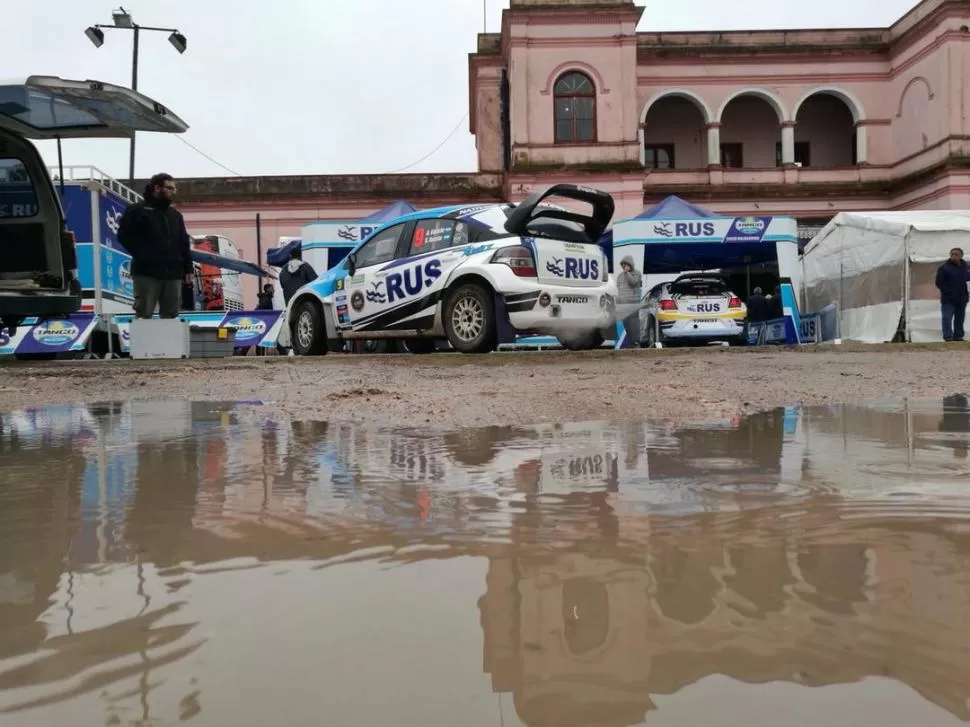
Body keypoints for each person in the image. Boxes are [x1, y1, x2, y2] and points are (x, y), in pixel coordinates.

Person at [117, 173, 193, 319]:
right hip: (146, 272)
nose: (173, 192)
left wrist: (188, 268)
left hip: (173, 273)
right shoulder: (137, 210)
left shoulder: (176, 215)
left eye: (174, 188)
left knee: (171, 314)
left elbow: (184, 243)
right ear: (157, 188)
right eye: (169, 188)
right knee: (144, 313)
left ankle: (169, 336)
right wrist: (144, 256)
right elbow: (124, 236)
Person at [936, 247, 970, 341]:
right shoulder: (944, 268)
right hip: (948, 299)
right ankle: (948, 336)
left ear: (961, 256)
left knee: (960, 318)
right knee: (947, 318)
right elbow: (939, 282)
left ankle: (958, 336)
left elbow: (967, 278)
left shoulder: (966, 267)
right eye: (952, 254)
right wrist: (948, 292)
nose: (954, 256)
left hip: (962, 298)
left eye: (956, 254)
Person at [616, 255, 643, 346]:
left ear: (630, 264)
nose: (623, 266)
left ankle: (636, 342)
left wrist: (627, 273)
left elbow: (633, 283)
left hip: (633, 303)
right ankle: (631, 342)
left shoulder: (637, 273)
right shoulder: (620, 276)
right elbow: (618, 288)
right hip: (623, 304)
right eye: (622, 265)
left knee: (634, 323)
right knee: (626, 323)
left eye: (625, 264)